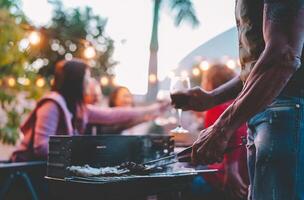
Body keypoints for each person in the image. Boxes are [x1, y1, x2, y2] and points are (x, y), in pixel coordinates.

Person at [171, 1, 304, 199]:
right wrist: (212, 98)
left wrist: (222, 127)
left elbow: (283, 55)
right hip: (270, 113)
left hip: (288, 113)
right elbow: (256, 68)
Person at [11, 59, 168, 161]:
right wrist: (81, 149)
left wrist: (154, 109)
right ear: (76, 82)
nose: (89, 83)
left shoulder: (80, 108)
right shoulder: (52, 104)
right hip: (26, 173)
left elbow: (115, 114)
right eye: (86, 79)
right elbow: (41, 148)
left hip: (52, 174)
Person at [201, 64, 248, 200]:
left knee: (183, 183)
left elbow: (237, 133)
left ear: (209, 83)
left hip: (228, 178)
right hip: (247, 175)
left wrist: (231, 168)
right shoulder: (243, 104)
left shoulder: (215, 108)